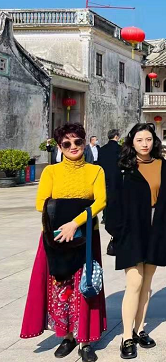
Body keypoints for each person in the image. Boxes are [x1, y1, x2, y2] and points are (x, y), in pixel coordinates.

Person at [21, 123, 106, 362]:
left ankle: (85, 340)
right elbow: (41, 203)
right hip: (56, 237)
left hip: (84, 237)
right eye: (67, 143)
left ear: (84, 143)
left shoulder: (95, 171)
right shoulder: (51, 172)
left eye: (78, 142)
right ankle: (67, 336)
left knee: (85, 286)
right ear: (60, 147)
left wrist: (74, 223)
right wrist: (66, 224)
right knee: (60, 288)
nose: (73, 147)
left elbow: (100, 201)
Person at [105, 123, 166, 359]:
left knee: (147, 284)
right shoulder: (123, 168)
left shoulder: (164, 167)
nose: (144, 144)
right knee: (134, 283)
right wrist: (117, 230)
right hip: (131, 230)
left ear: (154, 141)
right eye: (139, 140)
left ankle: (140, 329)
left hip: (156, 230)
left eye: (148, 139)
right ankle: (127, 336)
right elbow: (112, 201)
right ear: (132, 142)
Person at [97, 129, 121, 225]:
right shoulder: (120, 149)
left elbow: (99, 163)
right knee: (117, 197)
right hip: (117, 176)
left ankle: (105, 217)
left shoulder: (102, 149)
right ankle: (115, 217)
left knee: (106, 197)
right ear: (116, 136)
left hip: (105, 175)